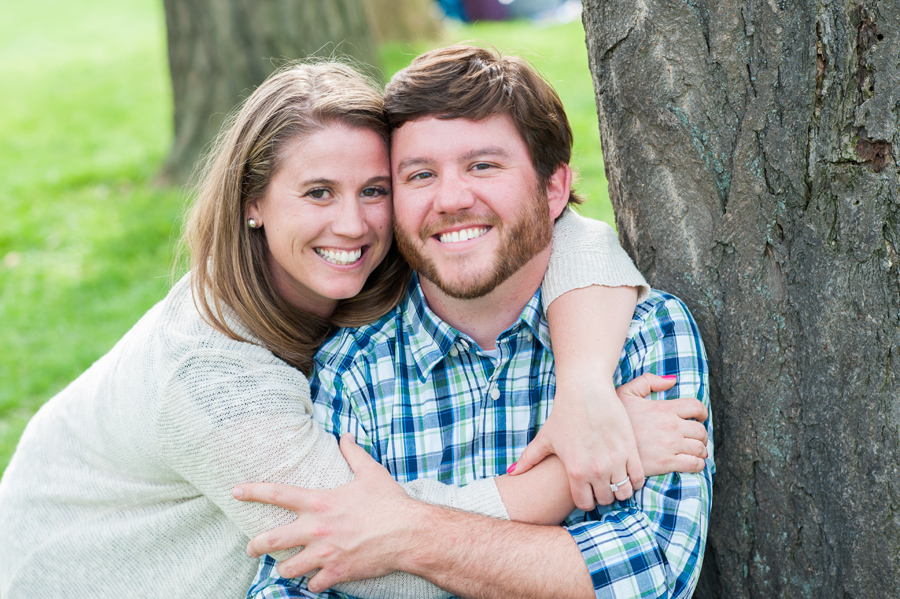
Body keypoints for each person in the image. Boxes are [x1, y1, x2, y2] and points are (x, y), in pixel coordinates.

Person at [0, 61, 706, 598]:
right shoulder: (210, 381)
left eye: (374, 189)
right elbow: (368, 565)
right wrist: (593, 462)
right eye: (316, 193)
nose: (354, 223)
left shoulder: (385, 258)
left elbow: (563, 234)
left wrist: (585, 388)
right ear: (253, 204)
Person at [238, 45, 714, 599]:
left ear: (554, 188)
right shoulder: (352, 362)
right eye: (418, 175)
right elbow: (294, 583)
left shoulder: (644, 335)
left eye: (482, 165)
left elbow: (650, 573)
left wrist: (399, 533)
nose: (451, 199)